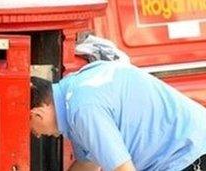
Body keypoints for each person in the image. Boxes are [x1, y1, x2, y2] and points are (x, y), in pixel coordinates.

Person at [30, 61, 206, 171]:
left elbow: (123, 169)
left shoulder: (82, 110)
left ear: (37, 114)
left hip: (187, 153)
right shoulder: (73, 89)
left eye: (32, 130)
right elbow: (88, 163)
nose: (37, 135)